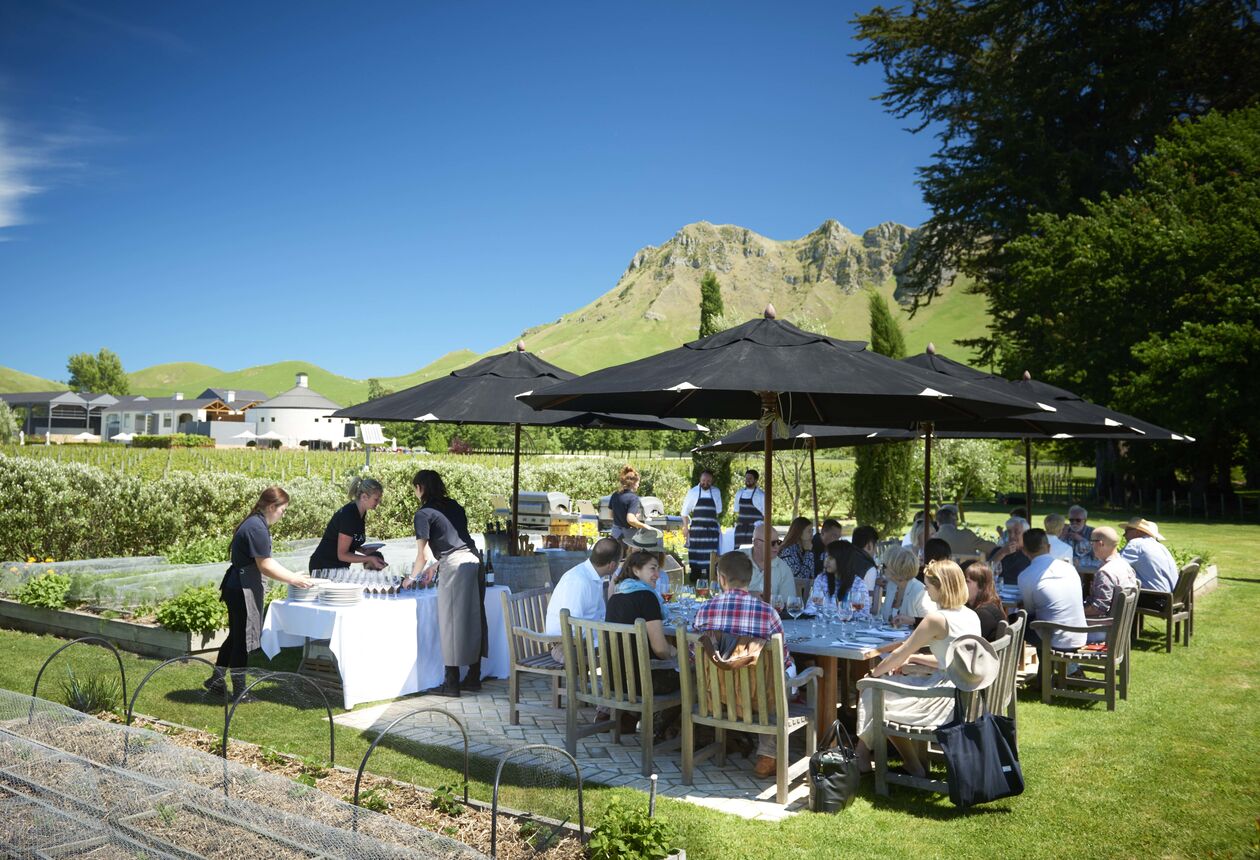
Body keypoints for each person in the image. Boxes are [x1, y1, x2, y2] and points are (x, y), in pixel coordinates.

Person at [855, 560, 982, 778]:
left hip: (944, 700)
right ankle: (864, 757)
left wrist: (873, 675)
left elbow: (899, 653)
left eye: (928, 586)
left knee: (874, 692)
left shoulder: (936, 619)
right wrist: (916, 659)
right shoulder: (970, 615)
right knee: (884, 688)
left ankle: (875, 760)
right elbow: (951, 660)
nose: (925, 589)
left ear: (941, 587)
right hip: (965, 695)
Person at [206, 487, 315, 699]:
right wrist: (293, 579)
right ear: (272, 507)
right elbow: (265, 565)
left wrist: (292, 574)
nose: (283, 515)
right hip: (241, 589)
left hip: (236, 586)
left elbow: (266, 563)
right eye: (283, 510)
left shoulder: (255, 522)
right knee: (241, 641)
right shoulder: (257, 528)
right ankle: (240, 692)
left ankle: (216, 681)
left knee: (235, 637)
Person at [693, 551, 793, 778]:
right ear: (750, 580)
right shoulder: (768, 613)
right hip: (758, 699)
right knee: (781, 677)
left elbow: (694, 655)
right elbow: (783, 659)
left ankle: (714, 737)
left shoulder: (704, 610)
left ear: (721, 579)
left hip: (716, 697)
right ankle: (767, 754)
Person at [406, 469, 485, 697]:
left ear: (420, 487)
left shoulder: (423, 513)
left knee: (451, 623)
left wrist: (411, 579)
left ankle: (451, 684)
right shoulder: (454, 506)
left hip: (456, 567)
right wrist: (436, 565)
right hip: (474, 560)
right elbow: (457, 542)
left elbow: (421, 555)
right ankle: (473, 677)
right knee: (474, 619)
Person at [605, 550, 680, 734]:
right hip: (642, 682)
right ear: (636, 570)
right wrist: (677, 652)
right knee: (692, 678)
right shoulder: (646, 597)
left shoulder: (616, 595)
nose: (657, 575)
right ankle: (657, 730)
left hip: (615, 679)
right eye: (652, 569)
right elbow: (660, 649)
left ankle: (632, 719)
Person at [1017, 528, 1088, 651]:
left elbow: (1029, 610)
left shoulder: (1025, 575)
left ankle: (1035, 668)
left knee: (1016, 622)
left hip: (1054, 638)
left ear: (1024, 551)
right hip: (1080, 634)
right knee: (1041, 621)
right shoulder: (1069, 568)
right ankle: (1052, 669)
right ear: (1049, 547)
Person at [307, 476, 387, 575]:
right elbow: (342, 555)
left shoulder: (360, 513)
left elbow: (346, 541)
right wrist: (370, 558)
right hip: (325, 567)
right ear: (364, 497)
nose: (378, 502)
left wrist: (364, 551)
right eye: (376, 499)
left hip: (338, 568)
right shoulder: (349, 515)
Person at [545, 537, 620, 640]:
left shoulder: (592, 575)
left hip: (588, 639)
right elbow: (572, 626)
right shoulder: (578, 581)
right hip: (568, 645)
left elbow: (600, 615)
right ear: (612, 565)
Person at [1083, 526, 1138, 643]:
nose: (1091, 546)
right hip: (1120, 629)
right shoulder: (1125, 566)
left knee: (1055, 628)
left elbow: (1098, 609)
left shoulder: (1105, 572)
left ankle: (1070, 661)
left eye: (1092, 542)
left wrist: (1075, 611)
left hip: (1102, 631)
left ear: (1100, 543)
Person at [1119, 517, 1178, 609]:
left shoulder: (1136, 543)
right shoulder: (1161, 547)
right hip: (1171, 598)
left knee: (1117, 594)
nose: (1124, 535)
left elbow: (1114, 566)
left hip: (1156, 599)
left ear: (1137, 532)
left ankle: (1107, 622)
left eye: (1126, 531)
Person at [875, 547, 937, 626]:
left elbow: (932, 624)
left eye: (884, 566)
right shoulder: (892, 586)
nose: (882, 568)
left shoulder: (920, 591)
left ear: (896, 569)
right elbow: (883, 617)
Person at [681, 470, 722, 579]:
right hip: (697, 531)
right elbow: (684, 513)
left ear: (712, 481)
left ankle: (711, 578)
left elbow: (718, 511)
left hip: (711, 531)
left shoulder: (716, 492)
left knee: (711, 557)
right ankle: (695, 578)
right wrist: (685, 528)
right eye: (703, 480)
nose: (705, 483)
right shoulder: (693, 492)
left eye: (708, 481)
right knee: (696, 557)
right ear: (700, 479)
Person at [743, 523, 796, 606]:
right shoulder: (737, 559)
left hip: (769, 616)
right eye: (772, 543)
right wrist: (748, 596)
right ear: (756, 543)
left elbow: (789, 603)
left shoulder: (783, 568)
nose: (777, 547)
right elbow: (723, 593)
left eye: (778, 542)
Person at [811, 540, 871, 612]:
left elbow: (863, 614)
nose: (826, 561)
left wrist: (828, 607)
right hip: (824, 622)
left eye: (831, 558)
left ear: (843, 559)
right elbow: (811, 607)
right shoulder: (821, 579)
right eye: (826, 556)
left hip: (848, 623)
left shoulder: (858, 584)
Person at [963, 561, 1008, 642]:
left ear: (981, 586)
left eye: (967, 581)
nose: (962, 585)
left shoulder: (983, 614)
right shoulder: (991, 603)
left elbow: (966, 645)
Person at [609, 465, 649, 549]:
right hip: (628, 538)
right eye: (638, 483)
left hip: (615, 534)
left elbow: (611, 515)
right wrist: (646, 527)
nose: (638, 485)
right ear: (633, 483)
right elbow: (630, 519)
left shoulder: (615, 495)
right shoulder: (633, 498)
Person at [988, 516, 1031, 584]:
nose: (1012, 536)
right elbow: (986, 572)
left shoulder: (1031, 553)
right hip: (999, 591)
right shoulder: (998, 551)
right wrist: (1002, 553)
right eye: (1009, 532)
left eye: (1017, 532)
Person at [732, 469, 765, 548]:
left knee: (753, 552)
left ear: (756, 480)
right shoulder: (739, 493)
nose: (747, 480)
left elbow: (766, 514)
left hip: (754, 530)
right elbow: (737, 510)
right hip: (740, 529)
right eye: (746, 478)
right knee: (739, 553)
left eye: (750, 478)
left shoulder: (761, 495)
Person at [1061, 505, 1097, 569]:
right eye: (1071, 520)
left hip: (1086, 571)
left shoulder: (1093, 532)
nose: (1074, 523)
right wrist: (1062, 535)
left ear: (1085, 521)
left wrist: (1082, 540)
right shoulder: (1064, 530)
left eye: (1078, 520)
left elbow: (1096, 556)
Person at [847, 525, 881, 593]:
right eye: (875, 545)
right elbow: (868, 600)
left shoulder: (845, 558)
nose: (875, 550)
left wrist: (874, 581)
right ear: (869, 545)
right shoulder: (869, 568)